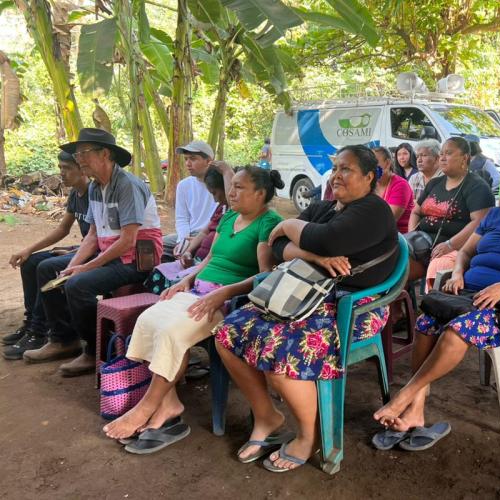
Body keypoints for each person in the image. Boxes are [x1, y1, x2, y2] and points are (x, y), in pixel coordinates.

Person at [214, 145, 398, 472]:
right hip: (305, 296)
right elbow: (278, 248)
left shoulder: (374, 210)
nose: (337, 175)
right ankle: (268, 416)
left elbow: (322, 239)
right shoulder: (324, 207)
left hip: (355, 307)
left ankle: (307, 436)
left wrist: (288, 227)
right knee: (227, 333)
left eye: (347, 169)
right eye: (336, 167)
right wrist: (312, 255)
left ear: (369, 177)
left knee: (279, 351)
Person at [372, 160, 500, 449]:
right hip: (470, 293)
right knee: (426, 323)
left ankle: (404, 396)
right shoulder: (495, 215)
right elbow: (466, 251)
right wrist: (456, 273)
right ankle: (415, 410)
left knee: (456, 331)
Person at [101, 167, 284, 450]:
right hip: (198, 291)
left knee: (172, 334)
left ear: (260, 193)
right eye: (231, 186)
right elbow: (208, 259)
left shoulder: (268, 222)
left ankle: (145, 408)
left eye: (239, 187)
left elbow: (264, 274)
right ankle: (169, 404)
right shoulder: (229, 217)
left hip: (225, 302)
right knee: (147, 321)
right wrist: (185, 280)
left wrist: (224, 292)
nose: (231, 192)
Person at [22, 128, 163, 376]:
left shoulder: (127, 185)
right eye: (77, 155)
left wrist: (85, 267)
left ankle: (93, 350)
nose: (79, 160)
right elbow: (92, 236)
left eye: (83, 153)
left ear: (105, 154)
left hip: (136, 259)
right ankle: (64, 339)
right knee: (49, 270)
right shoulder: (96, 188)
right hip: (112, 254)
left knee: (78, 284)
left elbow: (128, 241)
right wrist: (71, 265)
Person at [3, 152, 91, 359]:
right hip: (83, 248)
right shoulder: (75, 195)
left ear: (82, 169)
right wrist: (29, 249)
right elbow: (62, 229)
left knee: (47, 267)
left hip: (94, 251)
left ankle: (45, 333)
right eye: (60, 167)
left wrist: (75, 252)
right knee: (31, 261)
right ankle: (31, 323)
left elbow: (102, 236)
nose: (61, 173)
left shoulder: (94, 192)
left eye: (66, 168)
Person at [407, 137, 495, 290]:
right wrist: (412, 236)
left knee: (437, 263)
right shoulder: (435, 183)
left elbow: (479, 222)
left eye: (448, 153)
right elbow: (416, 211)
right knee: (393, 254)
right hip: (422, 244)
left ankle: (430, 307)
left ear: (465, 158)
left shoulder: (477, 187)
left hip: (455, 248)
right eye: (441, 154)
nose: (442, 157)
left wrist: (450, 244)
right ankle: (396, 308)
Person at [144, 165, 232, 295]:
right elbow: (204, 232)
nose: (214, 198)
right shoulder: (221, 208)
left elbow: (212, 255)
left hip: (206, 264)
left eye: (215, 193)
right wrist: (188, 251)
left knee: (176, 283)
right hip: (196, 259)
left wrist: (226, 170)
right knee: (158, 271)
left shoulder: (232, 212)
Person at [162, 141, 219, 260]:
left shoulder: (221, 185)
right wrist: (182, 241)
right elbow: (182, 218)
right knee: (157, 244)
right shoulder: (184, 185)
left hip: (213, 235)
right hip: (189, 235)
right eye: (186, 159)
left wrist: (202, 239)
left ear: (209, 161)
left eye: (193, 159)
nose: (188, 163)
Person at [373, 146, 414, 233]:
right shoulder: (370, 184)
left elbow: (388, 220)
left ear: (387, 163)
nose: (369, 168)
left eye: (374, 163)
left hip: (399, 236)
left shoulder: (401, 185)